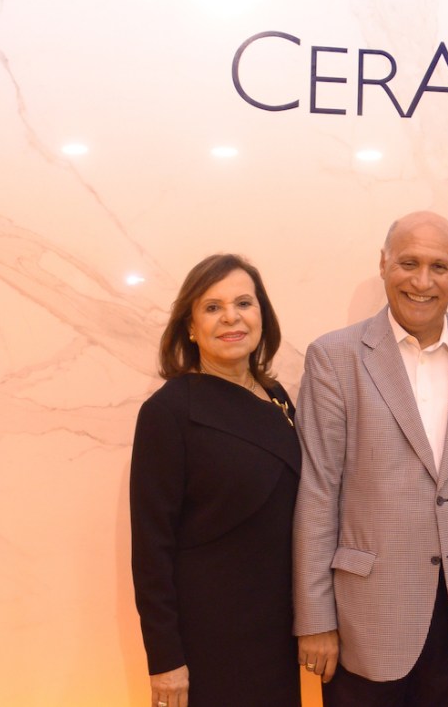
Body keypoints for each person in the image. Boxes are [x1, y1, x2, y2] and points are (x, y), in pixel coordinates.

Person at [292, 210, 448, 707]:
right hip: (367, 615)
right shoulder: (334, 358)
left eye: (439, 267)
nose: (423, 281)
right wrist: (315, 619)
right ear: (383, 264)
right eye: (409, 263)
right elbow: (318, 493)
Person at [130, 254, 302, 707]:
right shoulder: (167, 412)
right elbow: (151, 549)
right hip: (207, 637)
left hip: (275, 630)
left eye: (243, 303)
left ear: (261, 314)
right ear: (190, 326)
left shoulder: (276, 396)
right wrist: (165, 661)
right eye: (212, 307)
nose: (231, 317)